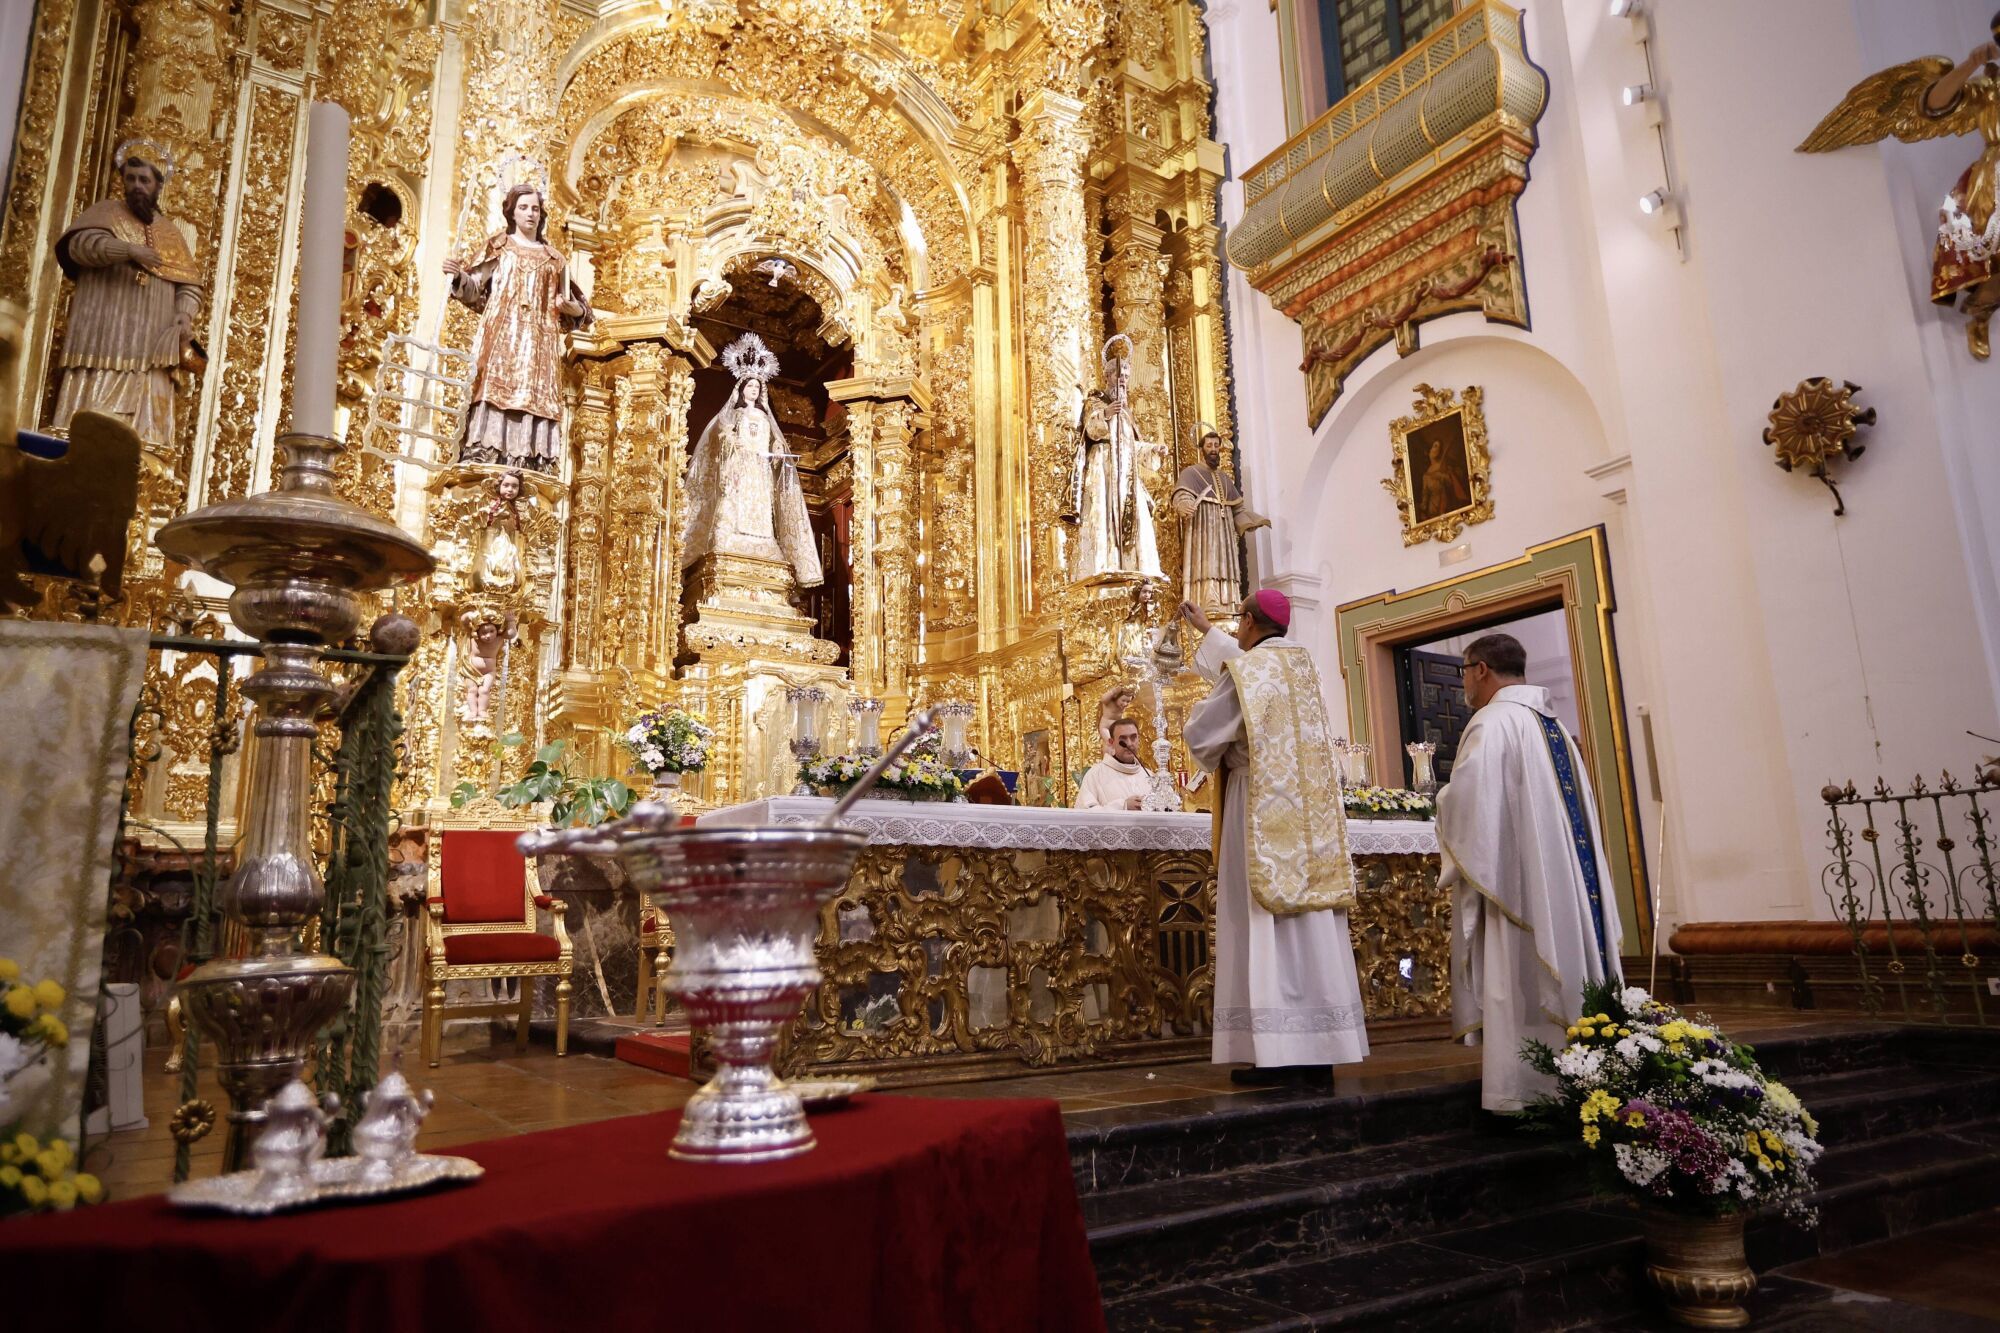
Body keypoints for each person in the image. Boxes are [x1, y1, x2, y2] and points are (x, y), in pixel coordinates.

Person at [1183, 590, 1368, 1082]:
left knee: (1261, 922)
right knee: (1309, 926)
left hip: (1258, 807)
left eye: (1237, 620)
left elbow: (1202, 732)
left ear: (1247, 621)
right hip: (1311, 817)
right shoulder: (1304, 669)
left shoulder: (1250, 671)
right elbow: (1249, 672)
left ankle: (1276, 1052)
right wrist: (1209, 634)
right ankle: (1320, 1047)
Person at [1436, 631, 1623, 1113]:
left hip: (1517, 885)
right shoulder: (1555, 727)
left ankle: (1522, 1088)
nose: (1464, 686)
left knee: (1515, 977)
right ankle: (1585, 1078)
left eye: (1464, 673)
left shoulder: (1491, 723)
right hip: (1564, 889)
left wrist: (1437, 803)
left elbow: (1468, 806)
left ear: (1481, 670)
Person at [52, 140, 204, 450]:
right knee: (92, 415)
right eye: (131, 178)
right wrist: (127, 250)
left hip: (153, 345)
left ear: (158, 186)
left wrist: (184, 313)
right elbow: (79, 247)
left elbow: (189, 283)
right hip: (105, 332)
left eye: (144, 180)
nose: (136, 186)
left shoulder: (169, 232)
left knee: (146, 436)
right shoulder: (105, 213)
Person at [443, 185, 589, 473]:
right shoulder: (498, 247)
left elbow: (578, 307)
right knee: (494, 389)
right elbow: (473, 290)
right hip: (501, 334)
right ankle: (486, 452)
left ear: (541, 214)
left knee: (534, 394)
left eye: (535, 208)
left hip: (539, 339)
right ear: (512, 211)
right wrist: (458, 274)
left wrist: (571, 309)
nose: (530, 214)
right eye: (523, 207)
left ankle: (531, 459)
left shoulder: (554, 258)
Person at [681, 332, 823, 589]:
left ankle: (763, 542)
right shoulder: (733, 416)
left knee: (760, 505)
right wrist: (729, 442)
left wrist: (779, 449)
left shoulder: (766, 418)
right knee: (735, 503)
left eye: (757, 387)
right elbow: (721, 440)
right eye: (750, 386)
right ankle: (731, 539)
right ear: (742, 388)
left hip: (760, 468)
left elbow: (774, 445)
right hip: (740, 466)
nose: (754, 390)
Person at [1170, 426, 1268, 619]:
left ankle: (1229, 599)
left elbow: (1237, 509)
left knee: (1224, 560)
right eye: (1209, 445)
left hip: (1223, 529)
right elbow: (1181, 494)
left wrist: (1251, 521)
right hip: (1203, 525)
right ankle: (1207, 599)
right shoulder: (1191, 473)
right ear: (1202, 449)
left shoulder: (1224, 478)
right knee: (1208, 559)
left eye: (1216, 445)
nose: (1213, 449)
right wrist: (1185, 504)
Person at [1075, 717, 1152, 811]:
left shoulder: (1149, 775)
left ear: (1138, 739)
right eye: (1123, 739)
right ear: (1111, 742)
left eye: (1133, 737)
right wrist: (1123, 806)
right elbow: (1084, 813)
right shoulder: (1096, 774)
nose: (1129, 743)